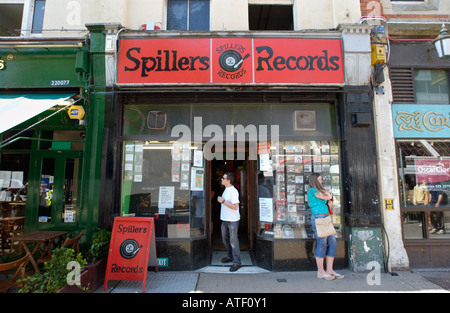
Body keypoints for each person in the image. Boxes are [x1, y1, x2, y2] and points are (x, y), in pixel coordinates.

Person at [307, 173, 343, 280]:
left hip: (326, 218)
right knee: (322, 242)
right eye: (319, 180)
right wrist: (328, 196)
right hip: (318, 218)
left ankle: (330, 270)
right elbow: (326, 196)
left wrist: (328, 197)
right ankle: (321, 271)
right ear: (314, 181)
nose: (321, 181)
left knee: (332, 242)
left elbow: (329, 200)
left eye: (321, 179)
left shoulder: (319, 190)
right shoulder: (312, 190)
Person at [217, 172, 241, 272]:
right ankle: (230, 256)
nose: (221, 179)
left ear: (229, 180)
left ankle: (237, 262)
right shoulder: (226, 190)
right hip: (225, 220)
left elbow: (235, 206)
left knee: (233, 241)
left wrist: (223, 201)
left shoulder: (233, 191)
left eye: (223, 178)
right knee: (225, 240)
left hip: (232, 221)